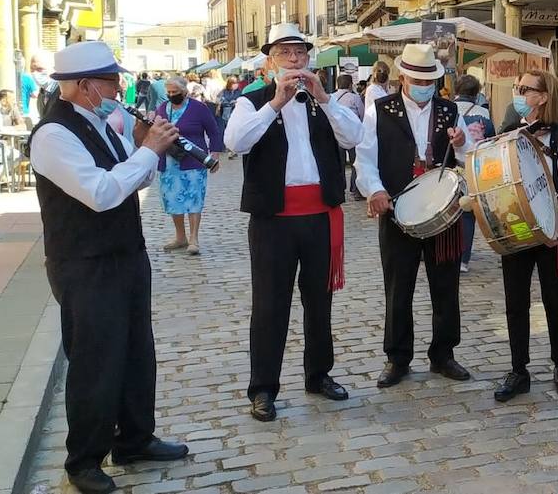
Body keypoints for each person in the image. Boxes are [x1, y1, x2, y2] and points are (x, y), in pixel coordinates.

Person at [28, 41, 188, 494]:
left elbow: (140, 176)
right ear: (84, 86)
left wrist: (144, 147)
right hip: (84, 263)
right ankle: (83, 460)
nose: (118, 88)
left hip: (125, 253)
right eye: (109, 81)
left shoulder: (101, 122)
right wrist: (148, 150)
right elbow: (100, 193)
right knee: (96, 361)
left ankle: (135, 438)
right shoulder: (53, 134)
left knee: (138, 352)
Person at [223, 24, 364, 422]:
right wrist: (275, 104)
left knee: (320, 303)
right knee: (270, 306)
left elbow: (354, 138)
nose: (294, 59)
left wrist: (326, 99)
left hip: (319, 216)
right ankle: (263, 388)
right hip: (273, 222)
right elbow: (236, 143)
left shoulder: (325, 101)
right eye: (284, 53)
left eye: (299, 52)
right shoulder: (251, 102)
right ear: (270, 61)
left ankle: (318, 375)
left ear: (309, 59)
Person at [356, 43, 474, 389]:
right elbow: (365, 157)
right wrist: (374, 190)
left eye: (430, 80)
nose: (424, 86)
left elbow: (469, 154)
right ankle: (397, 357)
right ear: (403, 76)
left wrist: (463, 140)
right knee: (398, 286)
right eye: (417, 78)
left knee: (446, 284)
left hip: (443, 210)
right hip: (397, 210)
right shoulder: (380, 109)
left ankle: (443, 354)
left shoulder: (449, 110)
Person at [490, 70, 558, 402]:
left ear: (543, 97)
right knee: (515, 302)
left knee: (555, 301)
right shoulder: (511, 133)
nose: (518, 92)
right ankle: (519, 371)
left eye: (524, 89)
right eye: (517, 87)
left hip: (551, 232)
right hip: (517, 228)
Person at [156, 76, 223, 255]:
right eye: (168, 92)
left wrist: (214, 153)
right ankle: (180, 236)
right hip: (169, 162)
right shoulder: (163, 108)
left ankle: (194, 238)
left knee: (194, 199)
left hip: (194, 160)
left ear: (185, 91)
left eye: (175, 92)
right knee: (172, 199)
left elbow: (213, 131)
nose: (171, 95)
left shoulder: (198, 108)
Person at [452, 73, 493, 274]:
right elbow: (492, 137)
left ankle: (444, 253)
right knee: (467, 213)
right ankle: (463, 258)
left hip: (450, 166)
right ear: (477, 93)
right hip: (476, 168)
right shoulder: (483, 113)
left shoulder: (447, 109)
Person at [332, 74, 365, 200]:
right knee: (355, 163)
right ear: (350, 85)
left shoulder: (331, 97)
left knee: (338, 164)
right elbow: (362, 115)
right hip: (352, 135)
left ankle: (340, 189)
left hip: (336, 135)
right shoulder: (355, 98)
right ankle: (355, 190)